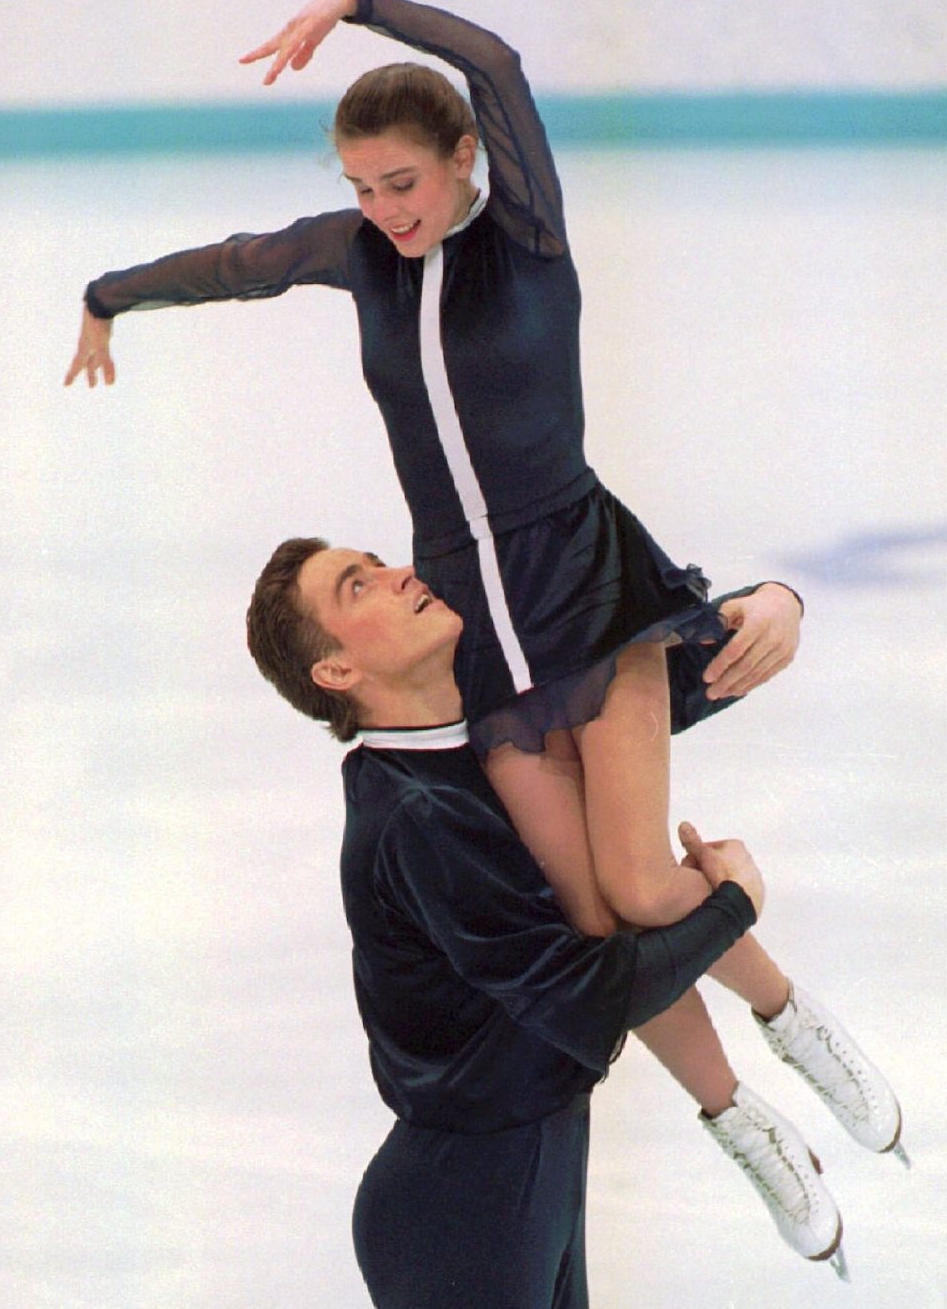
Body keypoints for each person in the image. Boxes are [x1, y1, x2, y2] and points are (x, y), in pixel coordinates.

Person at [65, 0, 904, 1253]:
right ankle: (741, 1125)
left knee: (633, 876)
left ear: (462, 161)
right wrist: (108, 293)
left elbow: (498, 61)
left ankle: (797, 1023)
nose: (381, 211)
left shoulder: (526, 238)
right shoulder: (353, 258)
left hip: (588, 591)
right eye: (361, 189)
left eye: (402, 182)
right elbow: (235, 267)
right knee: (588, 917)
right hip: (477, 637)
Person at [246, 534, 814, 1307]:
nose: (399, 576)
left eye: (379, 563)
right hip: (461, 1212)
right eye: (358, 587)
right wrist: (731, 906)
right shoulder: (415, 815)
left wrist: (773, 604)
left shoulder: (480, 741)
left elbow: (639, 686)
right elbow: (588, 999)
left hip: (528, 1174)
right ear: (337, 671)